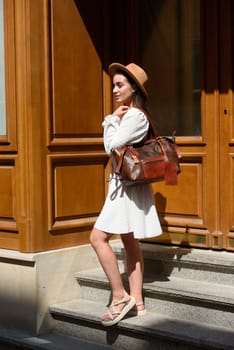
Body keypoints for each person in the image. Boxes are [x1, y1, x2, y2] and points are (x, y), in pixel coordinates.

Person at [90, 63, 162, 327]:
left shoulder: (134, 117)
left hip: (125, 190)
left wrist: (110, 119)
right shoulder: (133, 115)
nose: (114, 89)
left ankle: (119, 296)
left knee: (97, 238)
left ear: (134, 88)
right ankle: (137, 301)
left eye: (120, 85)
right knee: (130, 242)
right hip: (129, 187)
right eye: (113, 85)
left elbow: (112, 146)